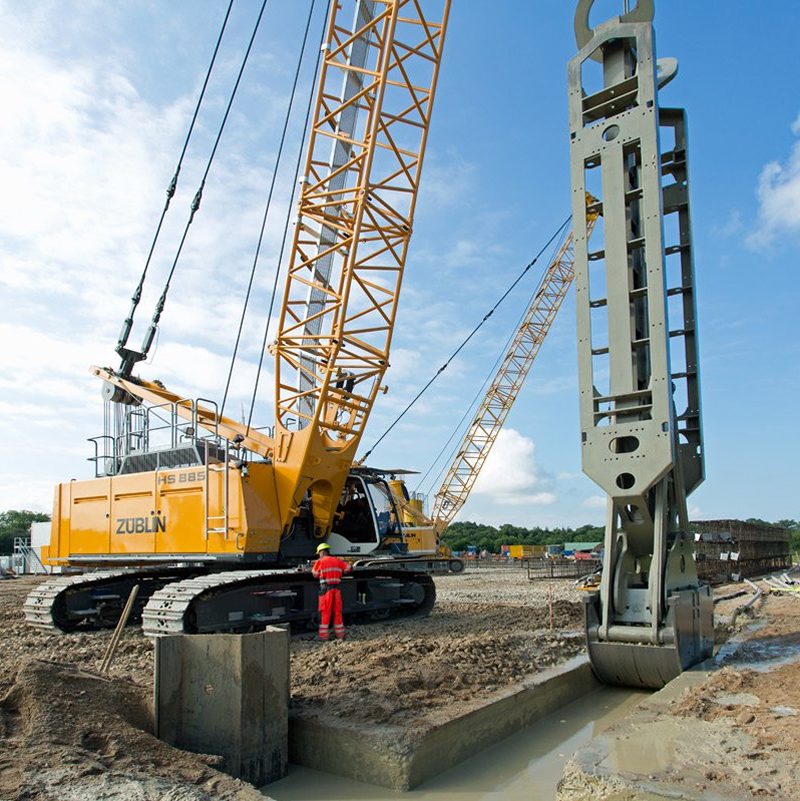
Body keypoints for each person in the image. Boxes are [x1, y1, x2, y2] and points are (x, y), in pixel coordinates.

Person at [311, 542, 351, 640]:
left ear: (322, 552)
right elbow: (348, 568)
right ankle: (340, 635)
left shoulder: (320, 561)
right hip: (336, 589)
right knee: (337, 612)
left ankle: (323, 636)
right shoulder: (337, 560)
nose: (319, 555)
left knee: (325, 613)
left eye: (319, 553)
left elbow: (315, 574)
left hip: (326, 590)